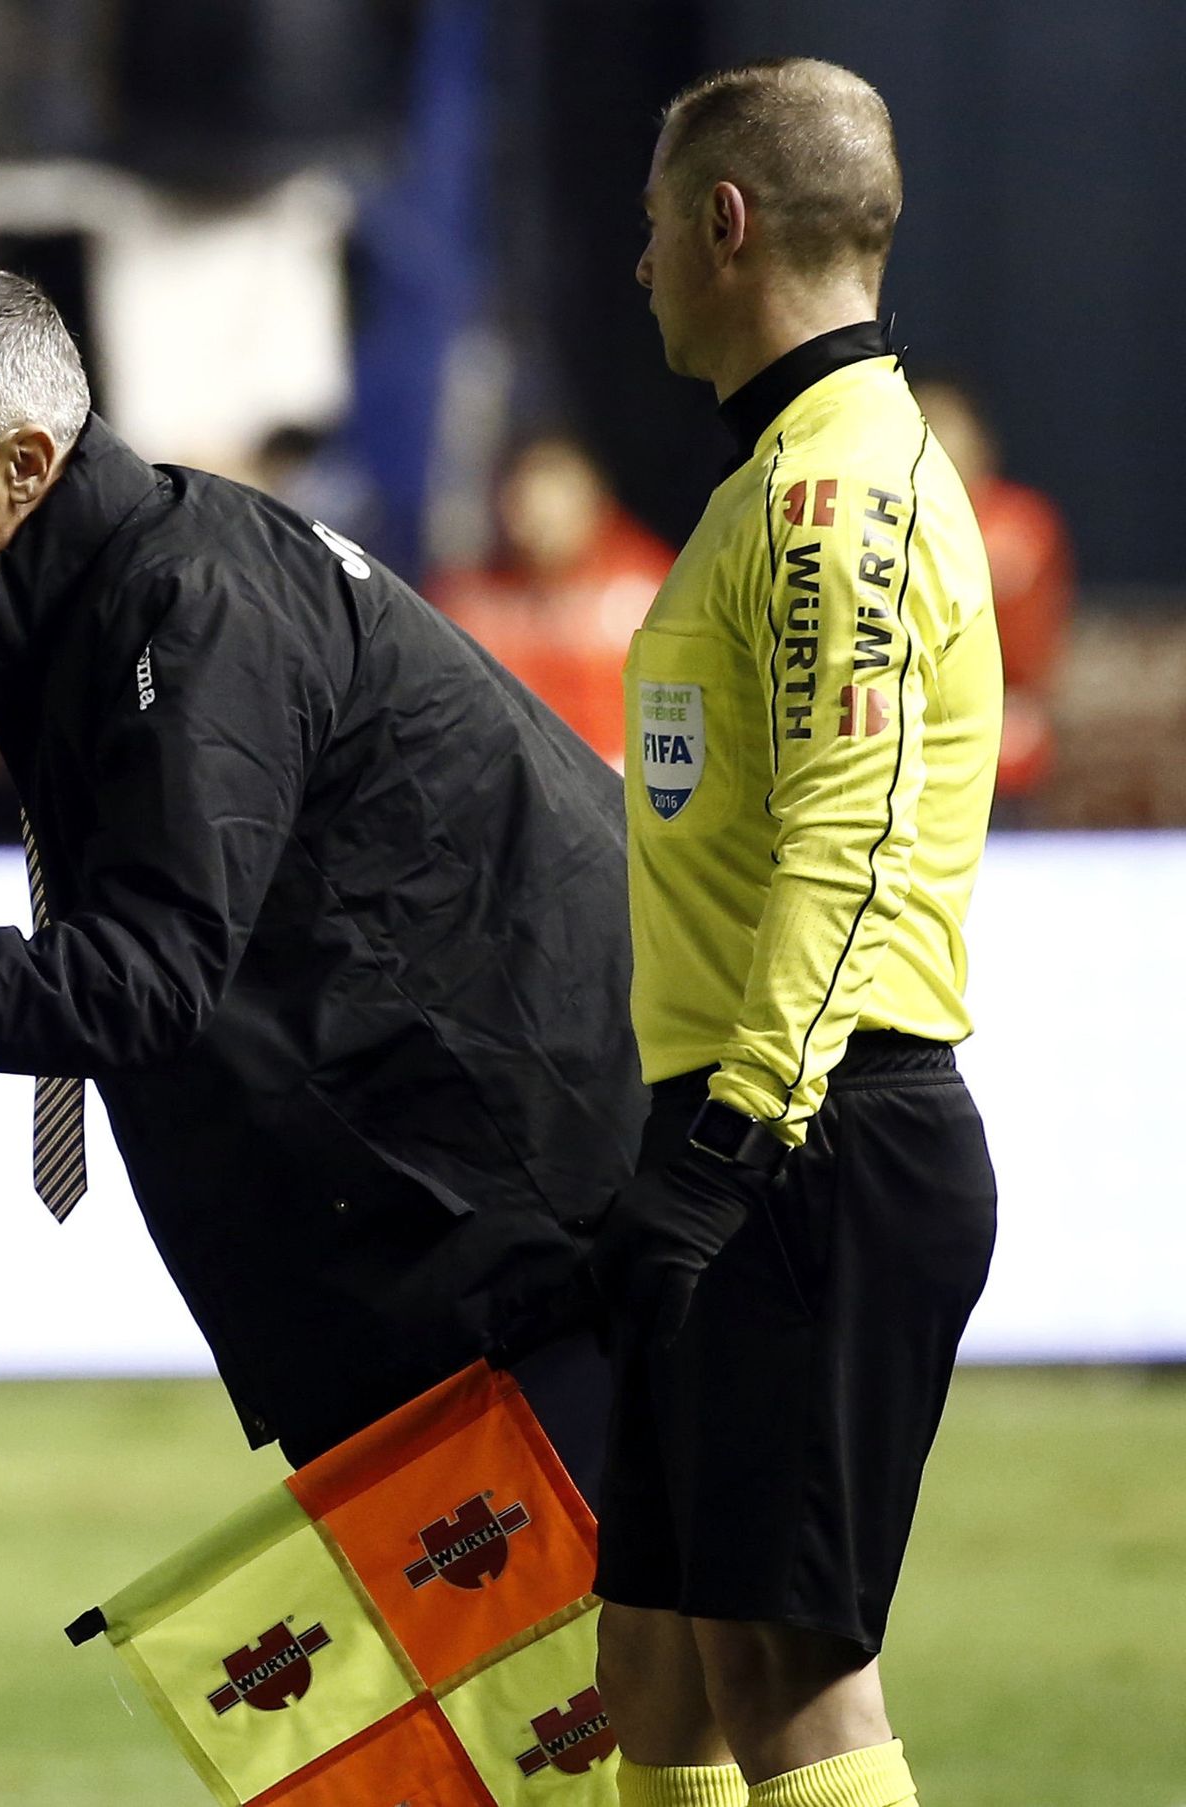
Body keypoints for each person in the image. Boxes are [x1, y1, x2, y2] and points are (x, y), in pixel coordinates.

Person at [0, 267, 645, 1493]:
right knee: (610, 1682)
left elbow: (142, 982)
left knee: (639, 1680)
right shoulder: (124, 594)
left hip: (535, 1243)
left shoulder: (185, 608)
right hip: (465, 1230)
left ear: (23, 462)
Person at [591, 60, 1001, 1807]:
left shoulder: (838, 496)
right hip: (745, 1127)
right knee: (657, 1668)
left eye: (654, 227)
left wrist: (738, 1136)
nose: (640, 267)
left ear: (728, 224)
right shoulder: (784, 481)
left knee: (790, 1680)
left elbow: (846, 842)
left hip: (812, 1138)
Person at [428, 434, 676, 769]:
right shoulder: (470, 606)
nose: (540, 518)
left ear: (594, 497)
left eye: (557, 497)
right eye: (525, 498)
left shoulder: (652, 594)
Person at [909, 377, 1073, 821]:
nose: (941, 443)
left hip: (1003, 733)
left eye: (950, 428)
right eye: (926, 427)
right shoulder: (888, 522)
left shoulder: (1020, 520)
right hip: (907, 740)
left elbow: (1032, 649)